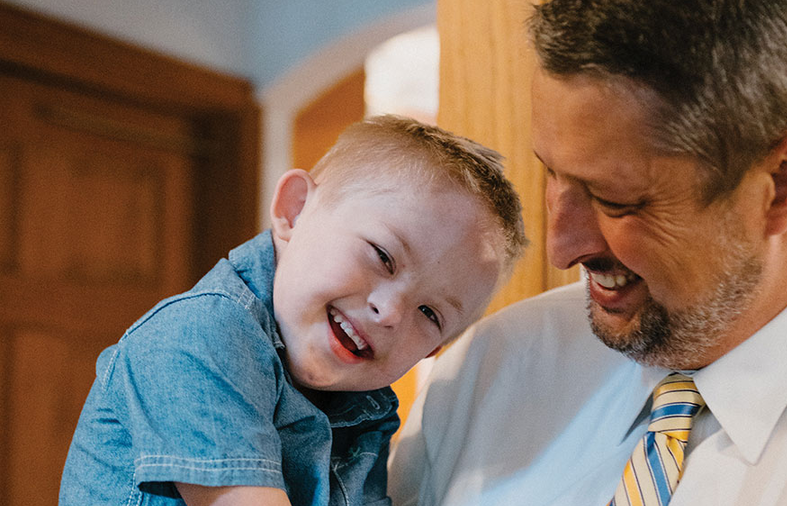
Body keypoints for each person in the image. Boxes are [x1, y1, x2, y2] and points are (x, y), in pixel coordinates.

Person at [387, 1, 787, 505]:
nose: (561, 249)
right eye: (552, 174)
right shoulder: (493, 371)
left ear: (785, 182)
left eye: (615, 200)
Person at [59, 115, 527, 506]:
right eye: (383, 256)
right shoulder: (198, 337)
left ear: (434, 351)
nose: (389, 312)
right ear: (295, 210)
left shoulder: (368, 410)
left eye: (429, 313)